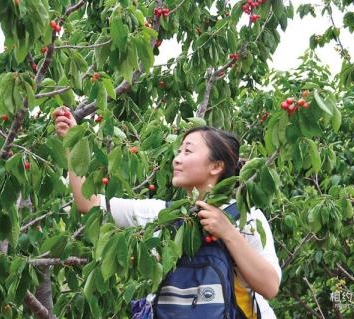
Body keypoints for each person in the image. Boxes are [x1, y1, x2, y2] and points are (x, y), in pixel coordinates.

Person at [54, 106, 281, 319]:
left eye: (188, 151)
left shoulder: (245, 217)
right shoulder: (162, 214)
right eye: (179, 151)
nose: (177, 159)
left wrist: (228, 233)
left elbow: (270, 287)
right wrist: (73, 144)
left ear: (216, 166)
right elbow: (89, 203)